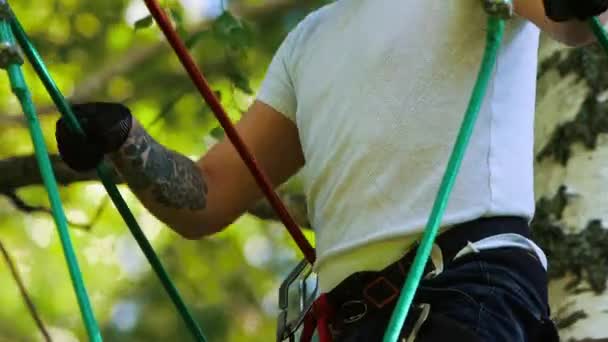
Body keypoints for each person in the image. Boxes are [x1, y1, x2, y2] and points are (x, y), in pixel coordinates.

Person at [55, 0, 608, 340]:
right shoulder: (308, 42)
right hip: (348, 322)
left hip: (467, 285)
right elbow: (211, 196)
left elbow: (571, 22)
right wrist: (126, 141)